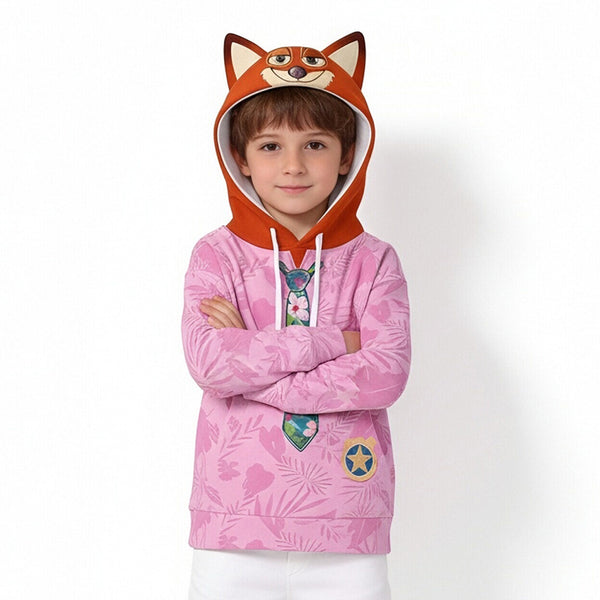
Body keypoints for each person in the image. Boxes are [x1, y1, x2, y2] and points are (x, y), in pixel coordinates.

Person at [182, 32, 411, 600]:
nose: (293, 165)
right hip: (232, 527)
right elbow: (211, 364)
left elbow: (385, 373)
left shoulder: (375, 261)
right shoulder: (215, 256)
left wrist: (253, 360)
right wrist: (336, 341)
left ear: (347, 155)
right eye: (269, 146)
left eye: (314, 144)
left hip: (348, 523)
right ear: (239, 156)